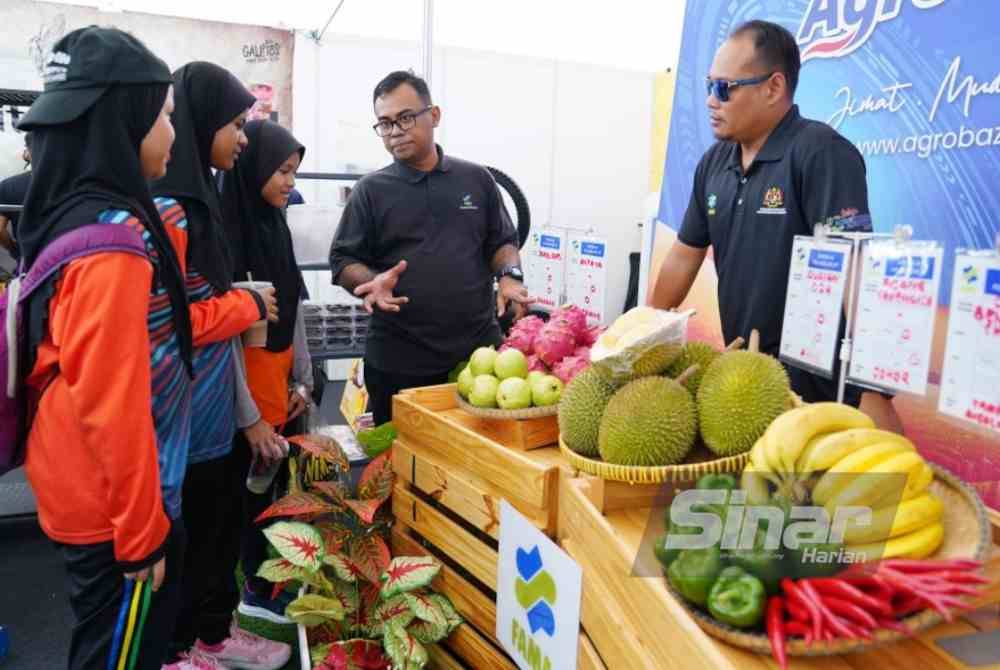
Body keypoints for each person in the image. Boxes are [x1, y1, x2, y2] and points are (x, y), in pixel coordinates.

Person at [16, 27, 192, 669]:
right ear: (126, 122)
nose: (175, 133)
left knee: (100, 636)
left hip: (75, 481)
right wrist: (144, 539)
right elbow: (115, 408)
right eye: (166, 116)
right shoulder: (114, 249)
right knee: (119, 649)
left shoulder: (64, 212)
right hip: (113, 510)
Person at [649, 20, 901, 430]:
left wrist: (872, 388)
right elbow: (683, 255)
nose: (712, 101)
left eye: (724, 89)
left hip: (822, 391)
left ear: (773, 87)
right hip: (749, 382)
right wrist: (642, 335)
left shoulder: (820, 153)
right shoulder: (713, 164)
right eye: (708, 85)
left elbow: (859, 273)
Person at [151, 62, 290, 670]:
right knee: (190, 538)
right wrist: (246, 304)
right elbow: (177, 321)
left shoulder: (198, 203)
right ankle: (185, 647)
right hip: (185, 412)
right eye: (234, 124)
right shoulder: (173, 213)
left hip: (213, 413)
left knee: (213, 529)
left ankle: (211, 636)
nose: (242, 137)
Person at [328, 70, 532, 424]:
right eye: (385, 124)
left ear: (433, 115)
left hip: (476, 357)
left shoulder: (476, 179)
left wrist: (510, 277)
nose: (395, 132)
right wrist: (370, 282)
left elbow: (502, 241)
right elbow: (343, 258)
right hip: (398, 360)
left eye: (405, 118)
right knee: (398, 466)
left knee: (474, 460)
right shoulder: (371, 191)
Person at [219, 119, 314, 625]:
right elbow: (225, 339)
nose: (289, 182)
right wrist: (248, 415)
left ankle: (263, 577)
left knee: (270, 484)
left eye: (294, 172)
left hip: (279, 385)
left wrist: (305, 379)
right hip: (244, 394)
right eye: (281, 171)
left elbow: (292, 301)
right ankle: (250, 587)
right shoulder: (225, 233)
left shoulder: (275, 227)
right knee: (243, 492)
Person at [0, 131, 32, 257]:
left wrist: (14, 249)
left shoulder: (9, 185)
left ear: (27, 154)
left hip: (28, 259)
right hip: (69, 260)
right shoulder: (73, 183)